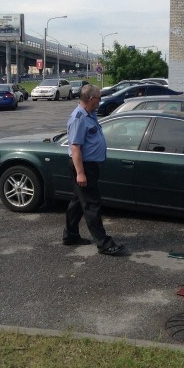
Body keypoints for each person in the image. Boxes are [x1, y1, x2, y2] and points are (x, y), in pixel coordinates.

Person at [63, 84, 126, 256]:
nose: (100, 100)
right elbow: (75, 148)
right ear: (91, 99)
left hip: (90, 166)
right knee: (92, 205)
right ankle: (104, 244)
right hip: (83, 167)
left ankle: (70, 236)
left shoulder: (90, 114)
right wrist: (81, 173)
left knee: (77, 203)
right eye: (99, 97)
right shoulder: (78, 118)